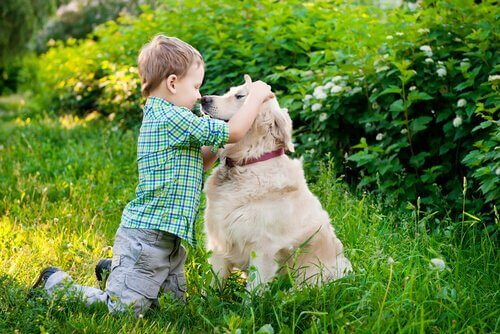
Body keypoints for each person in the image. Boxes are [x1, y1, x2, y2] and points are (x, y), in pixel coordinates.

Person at [32, 35, 274, 317]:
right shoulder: (171, 118)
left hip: (168, 239)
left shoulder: (169, 118)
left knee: (171, 307)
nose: (198, 95)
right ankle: (54, 282)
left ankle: (118, 272)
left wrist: (221, 146)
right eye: (195, 87)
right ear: (172, 83)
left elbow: (202, 162)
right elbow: (234, 131)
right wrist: (254, 98)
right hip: (146, 239)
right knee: (124, 310)